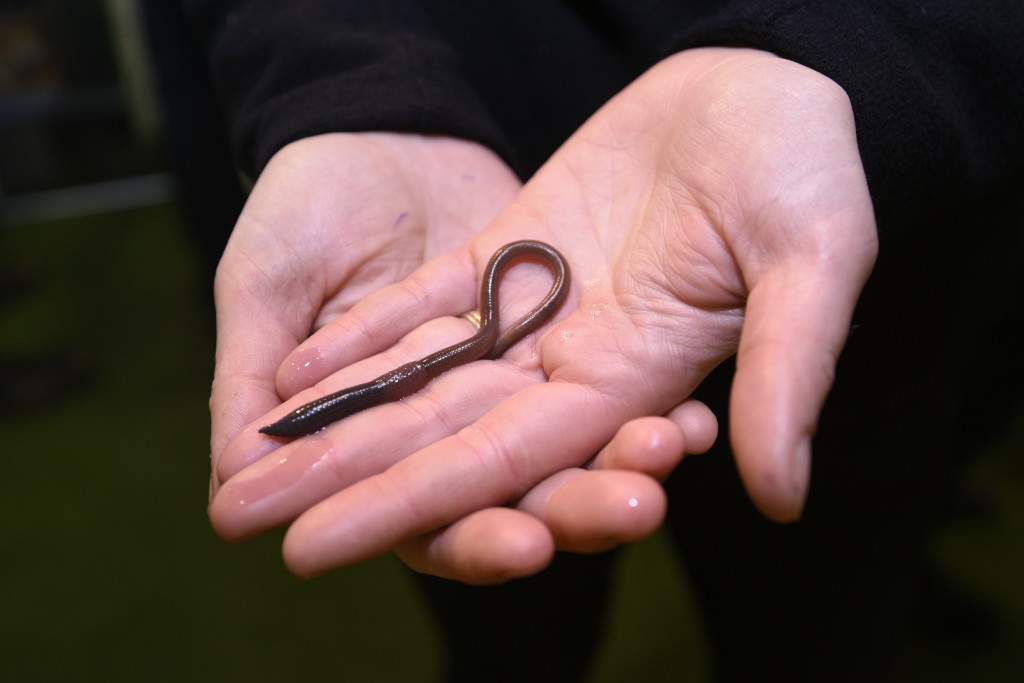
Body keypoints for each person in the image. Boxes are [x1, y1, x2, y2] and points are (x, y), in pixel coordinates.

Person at [174, 1, 1024, 680]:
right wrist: (348, 85)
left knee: (819, 607)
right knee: (508, 600)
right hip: (468, 111)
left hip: (883, 242)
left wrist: (865, 46)